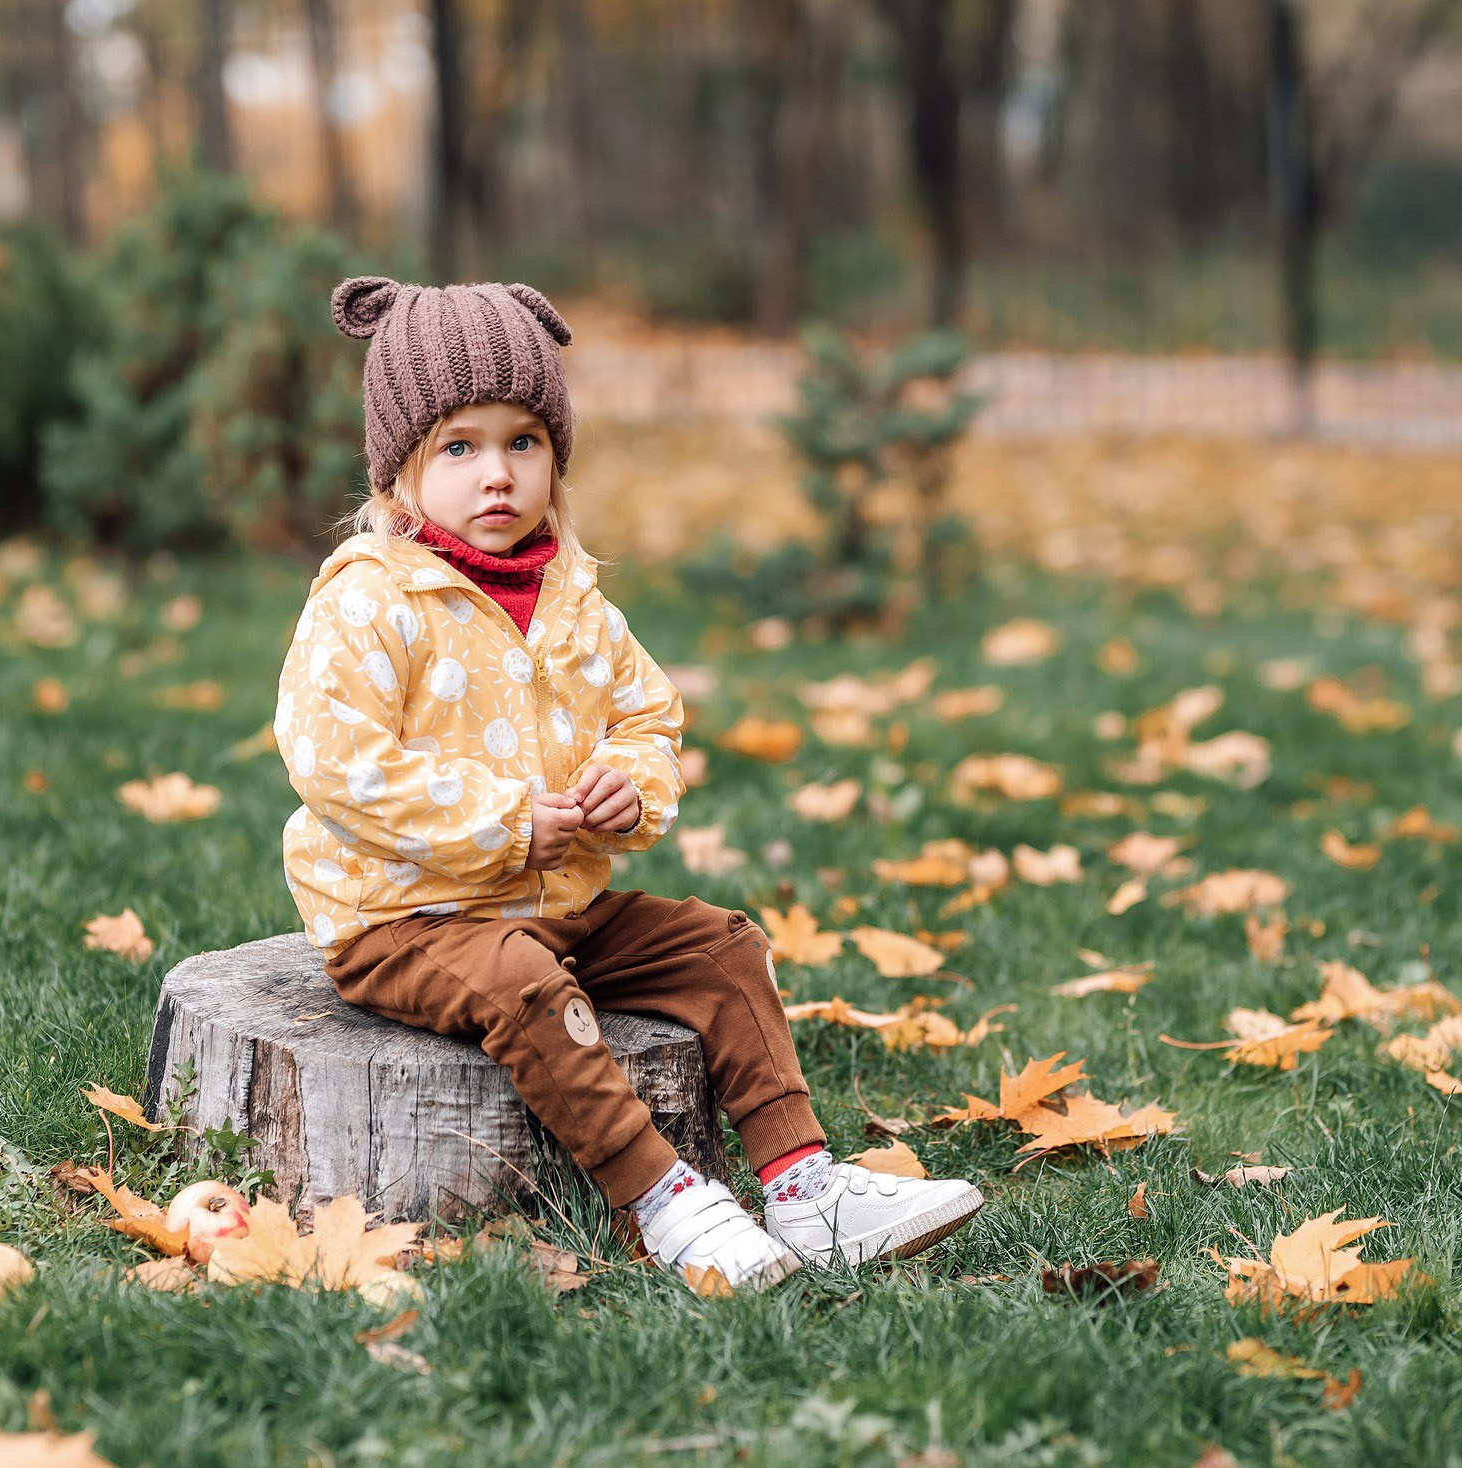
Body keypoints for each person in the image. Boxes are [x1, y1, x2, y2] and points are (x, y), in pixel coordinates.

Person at [274, 275, 983, 1289]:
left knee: (724, 945)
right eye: (459, 447)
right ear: (398, 474)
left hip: (553, 901)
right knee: (521, 982)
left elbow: (646, 713)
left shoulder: (569, 593)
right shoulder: (371, 600)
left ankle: (803, 1183)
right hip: (404, 918)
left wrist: (626, 788)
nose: (497, 475)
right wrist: (505, 823)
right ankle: (663, 1197)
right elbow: (336, 761)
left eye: (523, 442)